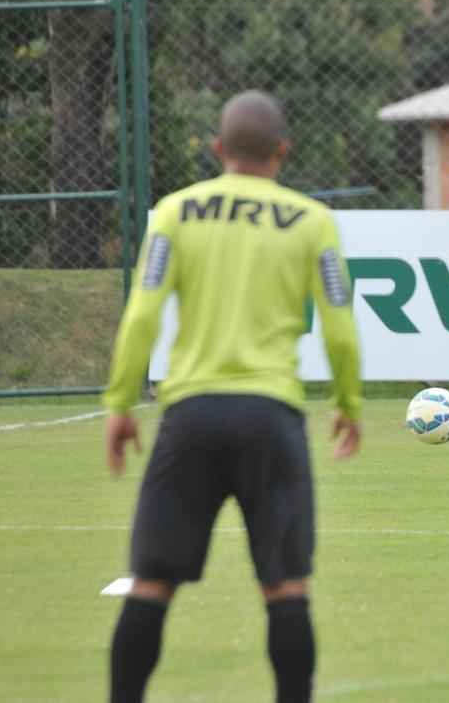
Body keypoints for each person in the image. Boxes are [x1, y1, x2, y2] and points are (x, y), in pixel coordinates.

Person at [101, 90, 363, 703]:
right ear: (283, 151)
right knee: (286, 587)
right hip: (271, 417)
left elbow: (142, 314)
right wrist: (348, 403)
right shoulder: (312, 221)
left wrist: (120, 403)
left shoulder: (175, 212)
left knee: (151, 583)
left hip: (190, 415)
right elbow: (339, 325)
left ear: (218, 149)